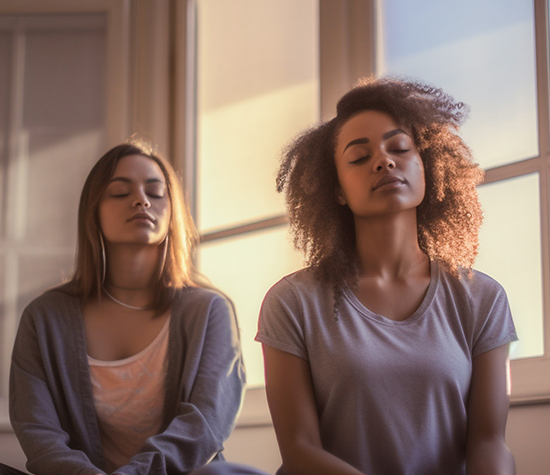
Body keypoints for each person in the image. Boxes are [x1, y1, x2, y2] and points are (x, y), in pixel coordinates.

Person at [254, 77, 518, 474]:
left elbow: (488, 441)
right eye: (359, 158)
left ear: (426, 168)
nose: (384, 161)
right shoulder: (292, 303)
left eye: (399, 148)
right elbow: (299, 449)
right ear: (337, 189)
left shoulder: (482, 298)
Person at [1, 140, 245, 475]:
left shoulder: (209, 310)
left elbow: (205, 426)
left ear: (172, 211)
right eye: (119, 192)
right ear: (94, 211)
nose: (142, 200)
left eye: (156, 192)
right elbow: (38, 432)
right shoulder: (44, 318)